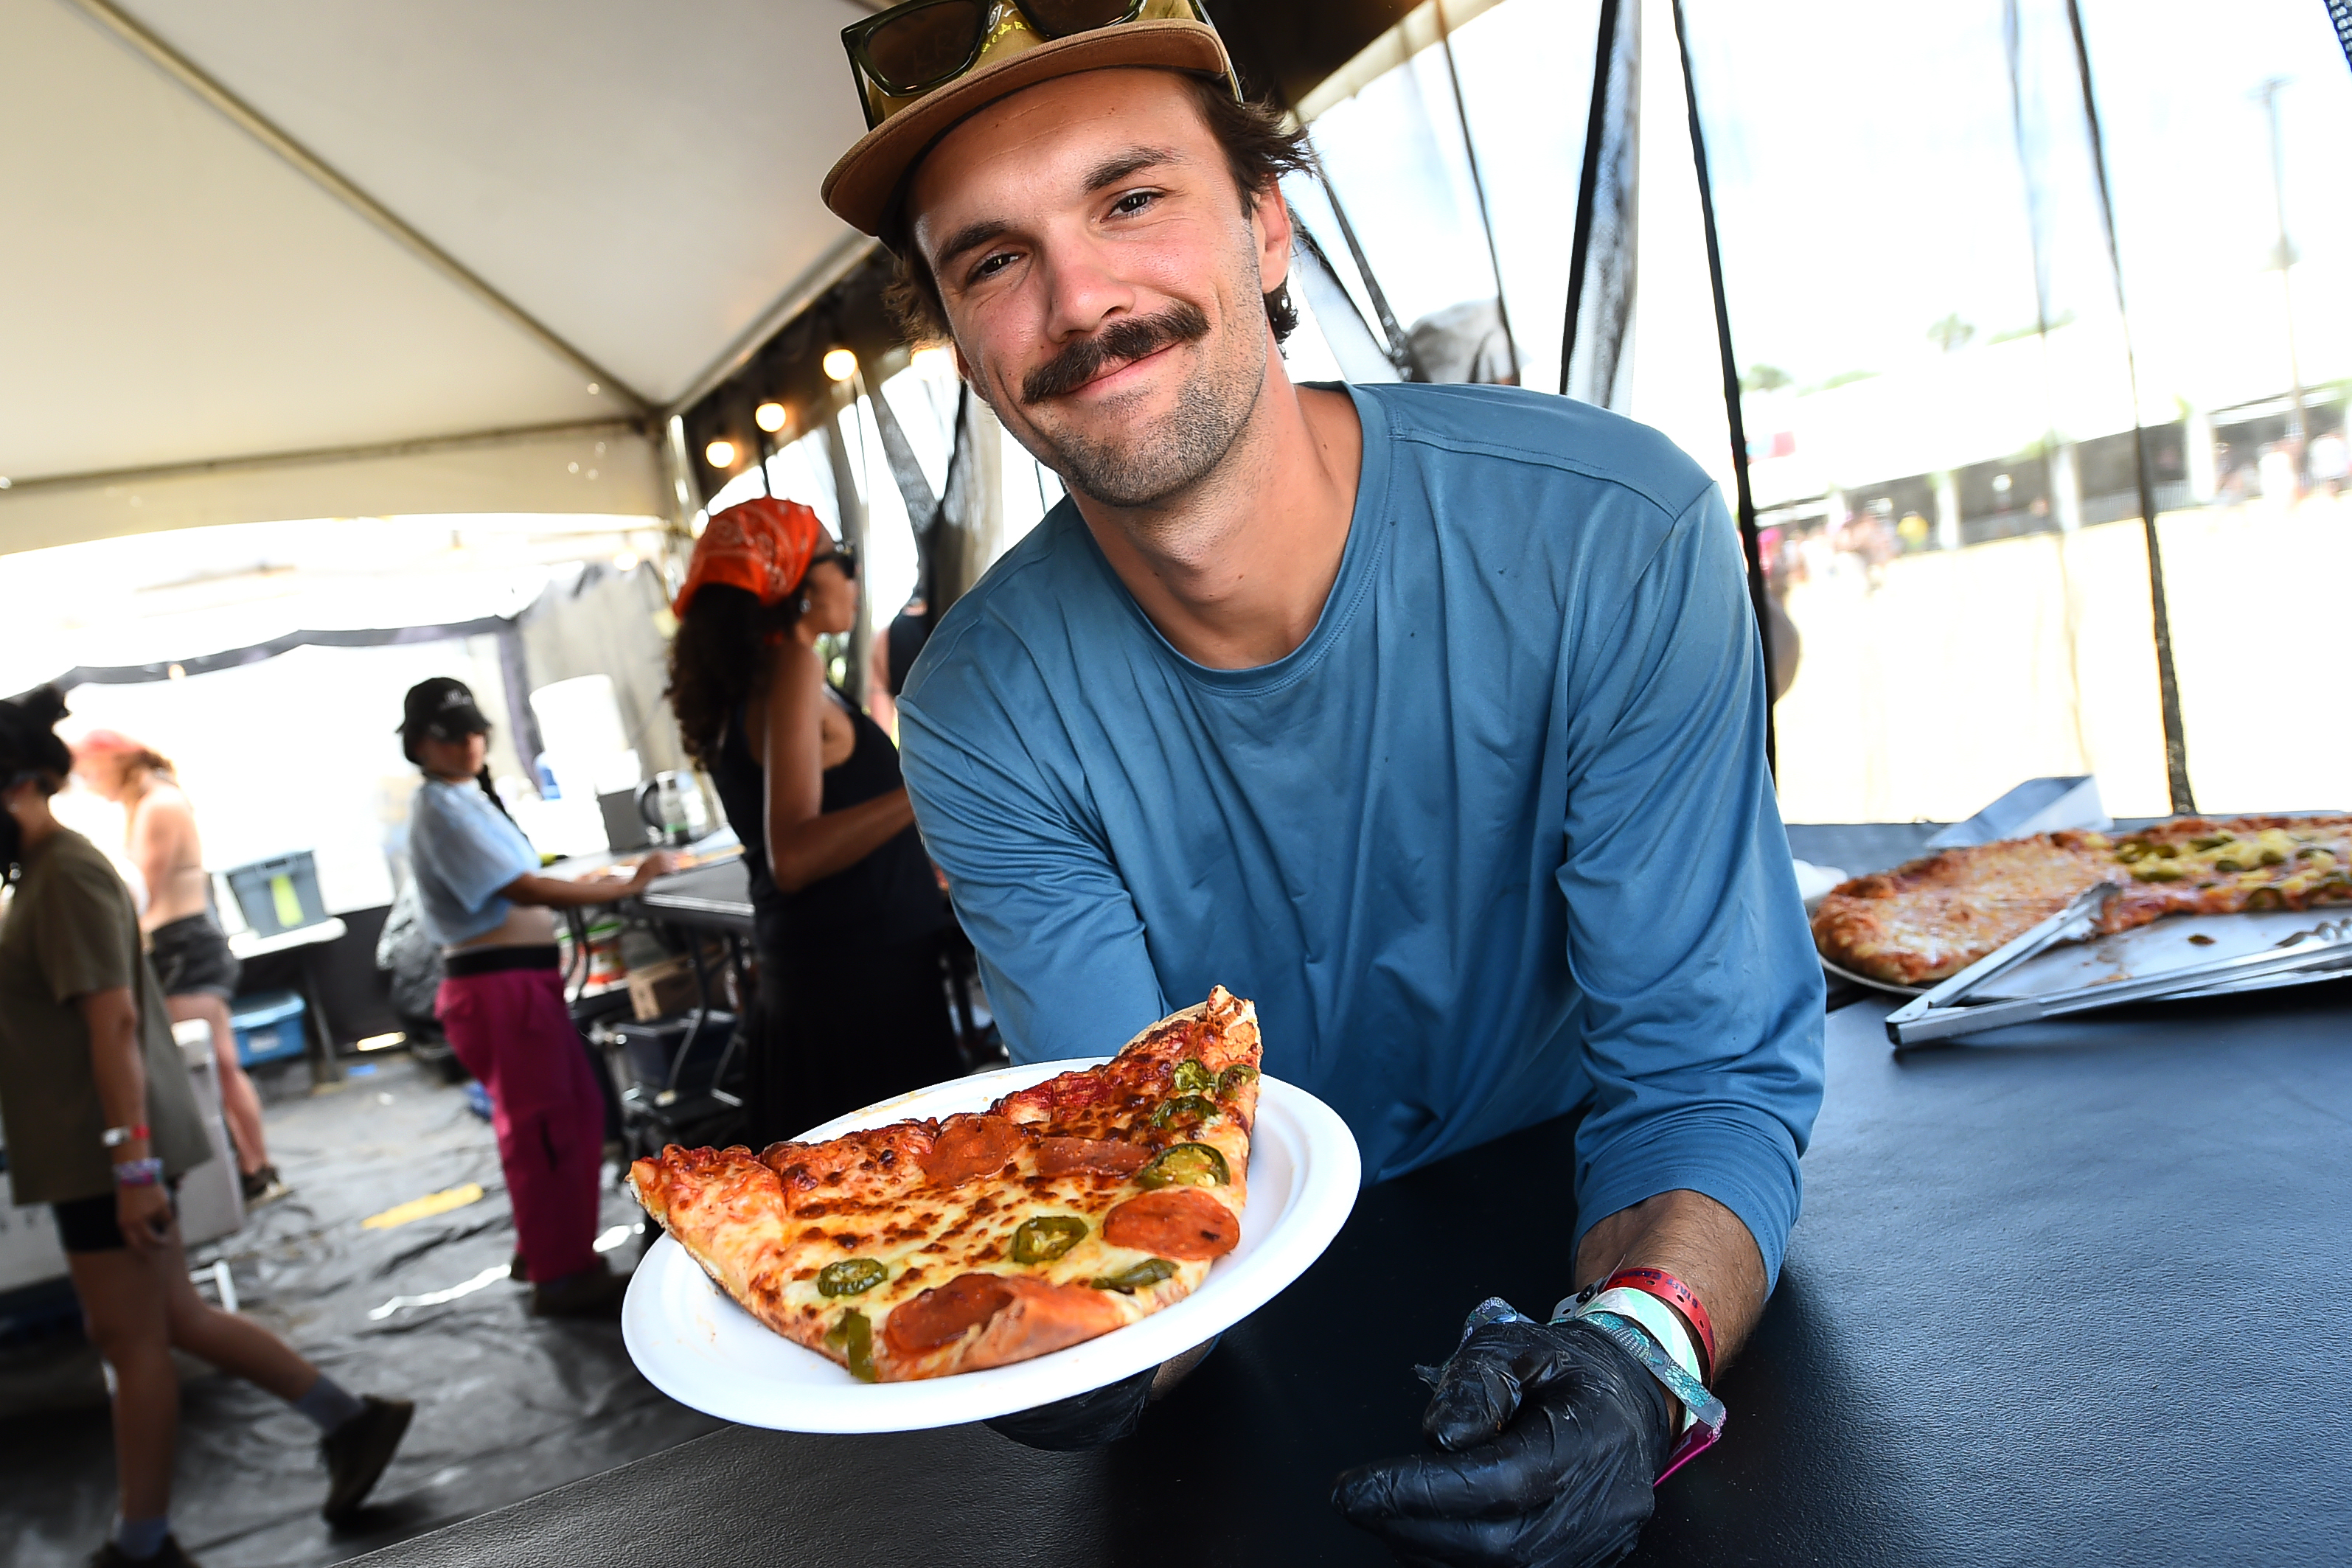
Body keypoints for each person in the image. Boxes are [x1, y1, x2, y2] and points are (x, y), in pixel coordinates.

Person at [820, 7, 1823, 1564]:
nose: (1079, 298)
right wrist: (1066, 1345)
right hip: (1250, 1304)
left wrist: (1642, 1343)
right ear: (965, 347)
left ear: (1268, 228)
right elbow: (1137, 1178)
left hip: (1606, 1199)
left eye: (1129, 197)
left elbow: (1700, 1072)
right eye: (993, 259)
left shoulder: (1613, 533)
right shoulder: (972, 710)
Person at [0, 689, 411, 1567]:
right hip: (101, 1151)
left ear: (24, 782)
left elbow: (110, 1027)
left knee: (130, 1338)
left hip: (103, 1155)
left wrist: (133, 1170)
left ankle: (143, 1543)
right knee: (173, 1317)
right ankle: (351, 1419)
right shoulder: (42, 872)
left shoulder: (63, 875)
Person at [664, 498, 962, 1145]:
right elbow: (793, 854)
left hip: (828, 978)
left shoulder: (753, 680)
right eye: (840, 560)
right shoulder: (792, 666)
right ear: (790, 579)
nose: (852, 578)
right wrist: (926, 788)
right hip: (859, 990)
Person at [397, 678, 673, 1317]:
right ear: (420, 745)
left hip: (516, 983)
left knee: (566, 1120)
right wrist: (623, 887)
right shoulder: (439, 805)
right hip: (499, 987)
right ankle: (560, 1271)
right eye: (450, 735)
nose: (467, 743)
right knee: (546, 1131)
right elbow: (522, 889)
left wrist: (604, 882)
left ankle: (549, 1250)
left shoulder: (462, 798)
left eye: (474, 731)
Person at [69, 731, 282, 1205]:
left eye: (89, 771)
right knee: (217, 1065)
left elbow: (141, 890)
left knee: (212, 1067)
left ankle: (251, 1170)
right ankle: (252, 1167)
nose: (86, 782)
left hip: (183, 945)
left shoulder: (157, 806)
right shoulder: (151, 803)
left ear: (115, 762)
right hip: (181, 944)